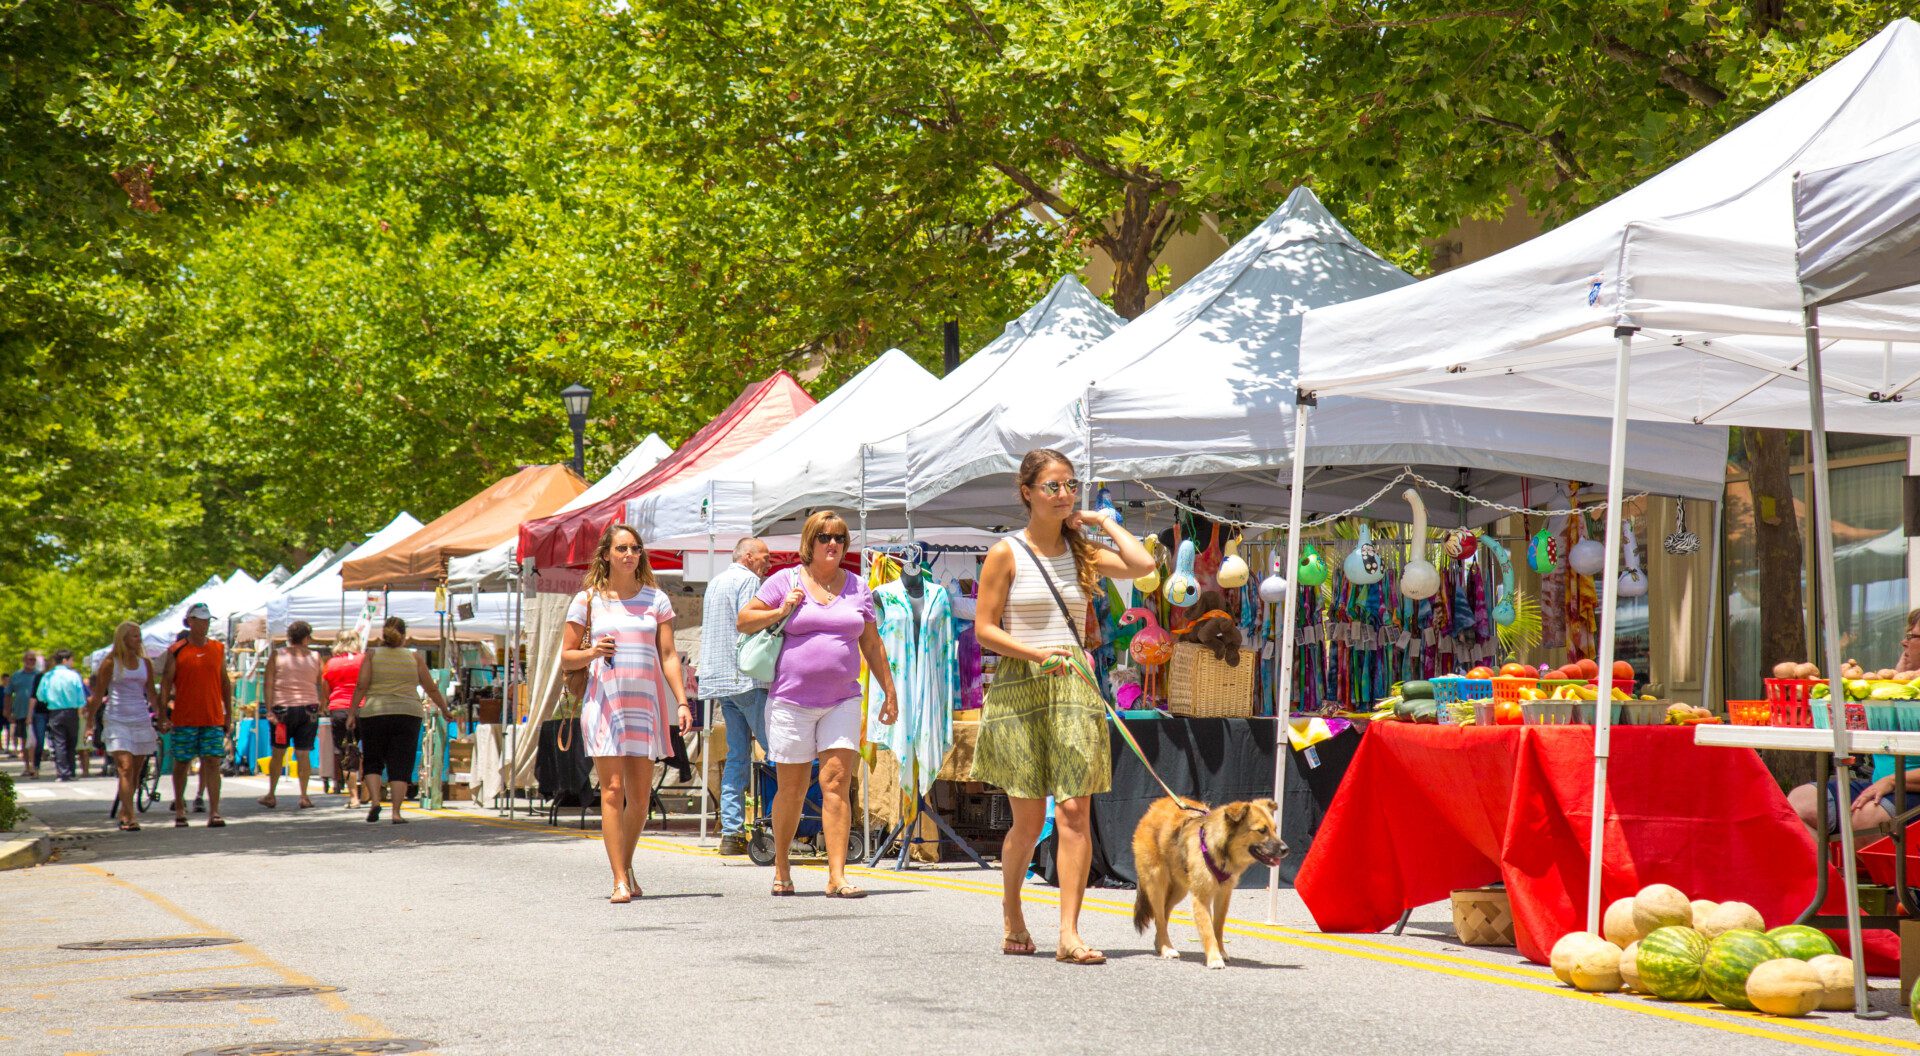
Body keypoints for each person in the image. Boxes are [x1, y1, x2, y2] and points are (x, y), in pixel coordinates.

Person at [971, 449, 1153, 964]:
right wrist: (1035, 654)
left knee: (1075, 810)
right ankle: (1012, 910)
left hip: (1073, 682)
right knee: (1029, 821)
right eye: (1052, 486)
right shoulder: (1005, 552)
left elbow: (1143, 566)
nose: (1064, 494)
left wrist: (1101, 521)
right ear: (1027, 492)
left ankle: (1069, 932)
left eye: (1071, 485)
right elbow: (984, 629)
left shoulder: (1082, 551)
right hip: (1021, 683)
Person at [737, 510, 898, 899]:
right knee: (791, 788)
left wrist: (890, 692)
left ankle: (837, 876)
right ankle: (782, 866)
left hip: (842, 699)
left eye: (840, 538)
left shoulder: (858, 587)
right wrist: (781, 610)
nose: (833, 544)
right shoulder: (786, 580)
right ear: (809, 543)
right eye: (825, 537)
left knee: (836, 783)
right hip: (791, 700)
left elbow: (871, 643)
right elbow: (744, 620)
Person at [561, 523, 693, 903]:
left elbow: (668, 655)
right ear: (606, 554)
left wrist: (682, 701)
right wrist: (592, 652)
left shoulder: (656, 599)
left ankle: (626, 864)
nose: (629, 554)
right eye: (621, 548)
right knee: (613, 790)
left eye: (635, 548)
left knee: (639, 798)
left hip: (645, 705)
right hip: (604, 702)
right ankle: (619, 878)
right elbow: (566, 657)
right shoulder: (588, 600)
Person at [1789, 611, 1920, 832]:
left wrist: (1891, 781)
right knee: (1799, 802)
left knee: (1864, 819)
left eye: (1912, 636)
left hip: (1908, 787)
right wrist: (1898, 676)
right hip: (1881, 784)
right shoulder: (1898, 689)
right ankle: (1824, 858)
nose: (1903, 642)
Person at [702, 536, 772, 856]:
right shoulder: (749, 581)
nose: (768, 562)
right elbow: (749, 623)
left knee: (737, 756)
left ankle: (731, 832)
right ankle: (781, 823)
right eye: (765, 557)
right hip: (746, 677)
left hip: (721, 680)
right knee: (780, 751)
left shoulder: (715, 582)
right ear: (748, 557)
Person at [347, 617, 452, 824]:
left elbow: (361, 685)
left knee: (373, 760)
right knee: (401, 763)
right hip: (407, 714)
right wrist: (444, 709)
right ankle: (396, 812)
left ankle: (375, 801)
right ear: (404, 635)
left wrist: (351, 713)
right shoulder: (414, 658)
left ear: (383, 634)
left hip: (374, 714)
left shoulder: (372, 655)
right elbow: (431, 688)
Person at [160, 602, 234, 828]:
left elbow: (224, 682)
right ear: (190, 621)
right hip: (185, 717)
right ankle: (180, 809)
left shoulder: (217, 648)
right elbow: (166, 683)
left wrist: (228, 714)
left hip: (212, 716)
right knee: (182, 762)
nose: (205, 624)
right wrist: (163, 714)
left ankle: (215, 811)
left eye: (207, 620)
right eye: (201, 620)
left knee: (212, 761)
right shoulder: (177, 650)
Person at [87, 622, 161, 831]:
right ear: (123, 638)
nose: (139, 639)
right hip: (117, 718)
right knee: (125, 767)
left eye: (139, 635)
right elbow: (98, 694)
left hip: (140, 718)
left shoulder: (145, 663)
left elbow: (151, 693)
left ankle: (124, 810)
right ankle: (130, 816)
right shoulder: (111, 663)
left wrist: (162, 715)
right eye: (134, 636)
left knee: (135, 771)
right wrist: (90, 722)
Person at [257, 620, 329, 809]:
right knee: (303, 753)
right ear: (307, 638)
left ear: (289, 637)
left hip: (282, 712)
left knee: (278, 752)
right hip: (308, 710)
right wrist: (322, 704)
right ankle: (304, 796)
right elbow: (323, 682)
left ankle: (271, 794)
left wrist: (269, 709)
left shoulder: (277, 655)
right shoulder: (315, 656)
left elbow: (268, 684)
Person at [323, 632, 367, 808]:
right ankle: (367, 792)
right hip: (364, 707)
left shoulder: (331, 663)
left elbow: (326, 689)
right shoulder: (364, 660)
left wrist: (329, 703)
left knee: (347, 753)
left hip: (339, 709)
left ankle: (354, 797)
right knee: (367, 750)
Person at [35, 650, 88, 781]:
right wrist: (80, 706)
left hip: (55, 712)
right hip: (72, 711)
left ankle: (63, 772)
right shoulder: (74, 675)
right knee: (72, 741)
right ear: (65, 660)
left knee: (59, 742)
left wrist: (49, 700)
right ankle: (71, 770)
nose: (72, 662)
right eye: (71, 660)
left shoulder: (48, 676)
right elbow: (81, 696)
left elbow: (40, 695)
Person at [9, 651, 41, 777]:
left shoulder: (39, 675)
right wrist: (8, 711)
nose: (31, 662)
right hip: (21, 711)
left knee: (36, 740)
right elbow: (8, 693)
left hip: (38, 712)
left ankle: (34, 765)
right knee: (24, 740)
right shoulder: (16, 676)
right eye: (29, 659)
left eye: (33, 660)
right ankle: (27, 766)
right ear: (24, 660)